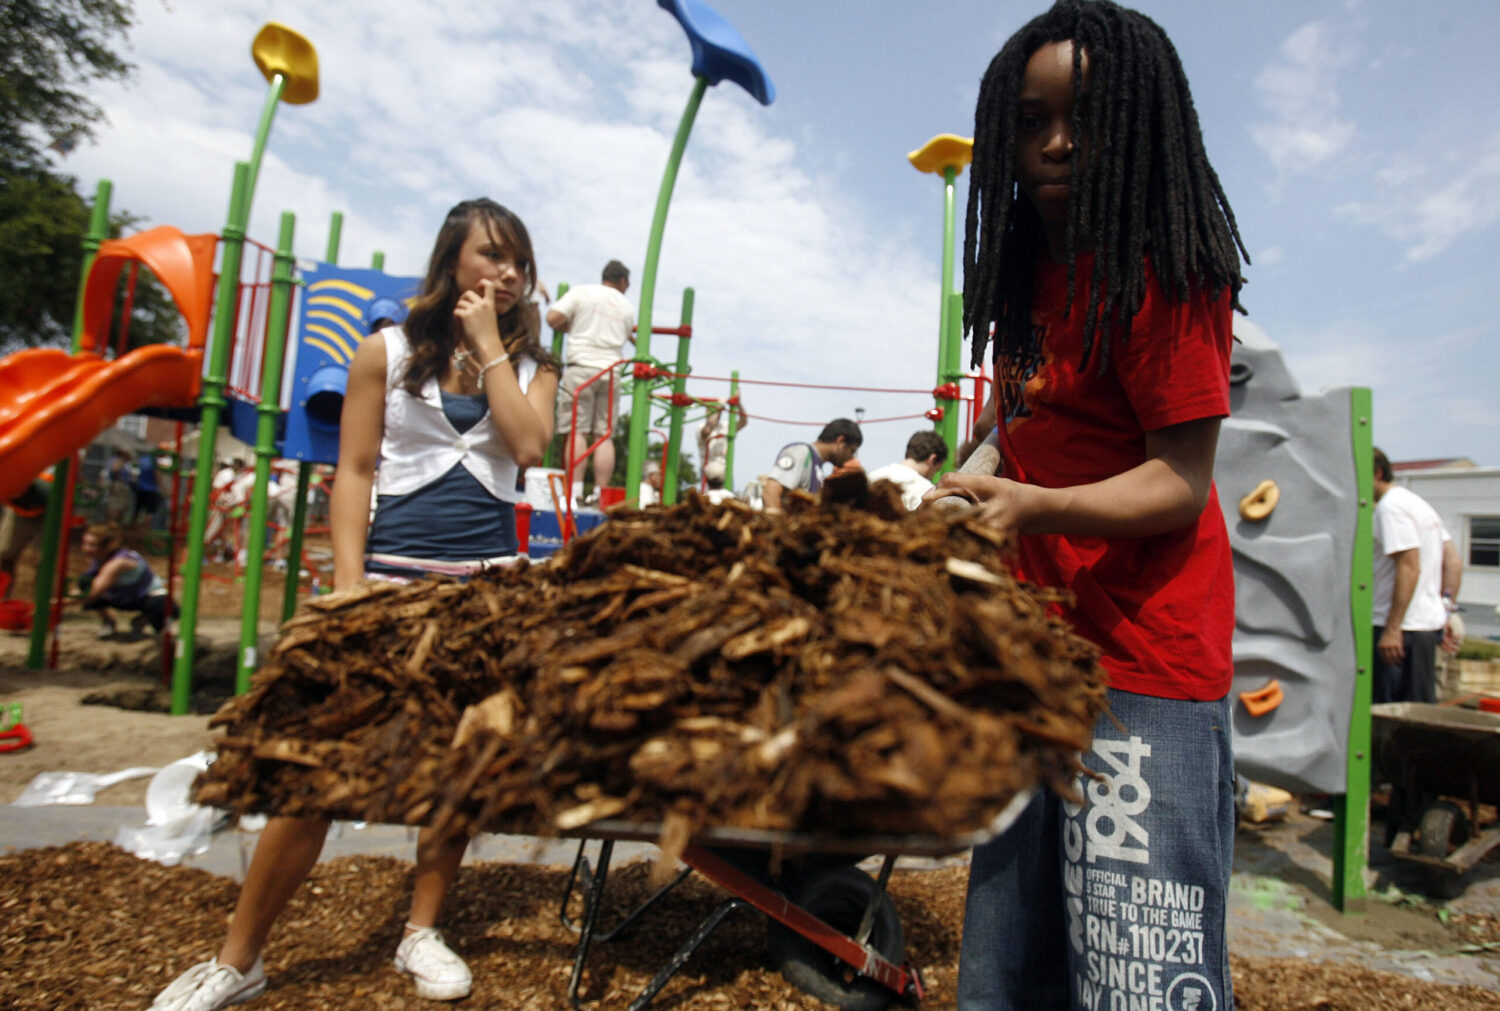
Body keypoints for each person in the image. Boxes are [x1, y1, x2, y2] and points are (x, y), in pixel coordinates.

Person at [150, 198, 560, 1010]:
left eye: (519, 260)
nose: (508, 273)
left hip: (485, 591)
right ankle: (240, 956)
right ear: (454, 262)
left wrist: (490, 350)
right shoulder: (386, 350)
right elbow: (358, 470)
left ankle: (422, 929)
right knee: (316, 775)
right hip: (389, 586)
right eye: (492, 256)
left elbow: (529, 446)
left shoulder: (532, 360)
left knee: (455, 773)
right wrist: (347, 583)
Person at [928, 4, 1249, 1008]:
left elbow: (1179, 483)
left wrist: (1029, 506)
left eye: (1087, 117)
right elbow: (1016, 420)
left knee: (1133, 974)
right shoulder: (1028, 268)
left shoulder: (1160, 269)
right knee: (1009, 966)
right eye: (1029, 122)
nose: (1055, 143)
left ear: (1145, 123)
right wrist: (958, 485)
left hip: (1141, 667)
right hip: (1036, 655)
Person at [545, 260, 635, 502]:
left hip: (582, 366)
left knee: (577, 431)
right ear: (623, 281)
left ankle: (572, 493)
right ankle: (599, 494)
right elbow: (630, 336)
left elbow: (552, 318)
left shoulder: (582, 292)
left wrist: (572, 327)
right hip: (611, 371)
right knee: (604, 435)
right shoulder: (627, 307)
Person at [1371, 447, 1452, 705]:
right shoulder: (1417, 504)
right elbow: (1453, 561)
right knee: (1419, 712)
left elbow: (1409, 565)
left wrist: (1392, 628)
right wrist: (1446, 608)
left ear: (1378, 472)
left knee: (1390, 715)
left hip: (1398, 630)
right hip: (1424, 626)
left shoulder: (1390, 508)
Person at [77, 523, 175, 637]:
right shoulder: (98, 559)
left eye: (92, 545)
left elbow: (95, 592)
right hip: (120, 596)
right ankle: (108, 621)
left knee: (165, 606)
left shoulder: (120, 562)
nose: (86, 548)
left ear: (107, 546)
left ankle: (147, 625)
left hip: (144, 596)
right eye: (85, 544)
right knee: (85, 581)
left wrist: (65, 601)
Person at [760, 418, 862, 512]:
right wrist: (777, 525)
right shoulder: (801, 453)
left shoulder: (817, 468)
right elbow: (771, 492)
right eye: (851, 450)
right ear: (840, 441)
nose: (851, 457)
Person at [867, 430, 949, 510]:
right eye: (936, 470)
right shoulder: (925, 491)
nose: (932, 475)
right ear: (932, 459)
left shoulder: (873, 476)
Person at [0, 477, 51, 597]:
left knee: (45, 560)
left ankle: (41, 604)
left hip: (49, 509)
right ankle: (3, 600)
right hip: (17, 508)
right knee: (4, 555)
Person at [697, 400, 747, 478]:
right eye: (715, 411)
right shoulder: (701, 427)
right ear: (707, 412)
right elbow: (708, 429)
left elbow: (743, 422)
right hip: (708, 470)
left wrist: (739, 403)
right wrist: (719, 406)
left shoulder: (725, 426)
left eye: (720, 412)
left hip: (724, 470)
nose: (718, 414)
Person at [102, 449, 135, 523]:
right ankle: (112, 523)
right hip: (119, 485)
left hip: (117, 484)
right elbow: (115, 469)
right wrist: (120, 478)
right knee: (116, 505)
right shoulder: (119, 461)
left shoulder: (113, 460)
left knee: (120, 505)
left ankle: (113, 523)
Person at [132, 449, 162, 527]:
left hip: (140, 488)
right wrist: (162, 487)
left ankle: (133, 527)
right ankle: (145, 529)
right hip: (151, 489)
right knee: (150, 511)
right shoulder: (155, 462)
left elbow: (136, 474)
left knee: (137, 509)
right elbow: (157, 475)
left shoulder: (143, 460)